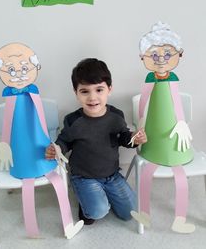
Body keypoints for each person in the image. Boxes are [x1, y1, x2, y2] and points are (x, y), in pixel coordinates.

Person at [0, 43, 83, 239]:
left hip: (43, 154)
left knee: (57, 180)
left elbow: (41, 124)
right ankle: (33, 230)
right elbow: (8, 124)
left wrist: (54, 147)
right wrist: (5, 145)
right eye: (11, 69)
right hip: (20, 160)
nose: (18, 73)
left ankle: (67, 226)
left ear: (35, 68)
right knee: (32, 182)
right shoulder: (11, 99)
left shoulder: (34, 94)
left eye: (24, 68)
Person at [46, 58, 147, 225]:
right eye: (85, 91)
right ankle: (86, 202)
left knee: (131, 213)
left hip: (112, 175)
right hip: (84, 177)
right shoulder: (73, 120)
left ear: (109, 89)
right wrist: (56, 149)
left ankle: (102, 193)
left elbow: (124, 138)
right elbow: (64, 141)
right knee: (97, 212)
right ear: (76, 93)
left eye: (99, 90)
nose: (92, 97)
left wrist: (135, 139)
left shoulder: (116, 115)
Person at [130, 22, 195, 233]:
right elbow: (143, 101)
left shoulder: (173, 79)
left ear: (179, 55)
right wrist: (140, 121)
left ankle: (180, 219)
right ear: (144, 58)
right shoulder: (149, 78)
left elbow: (175, 102)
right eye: (153, 55)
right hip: (153, 141)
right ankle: (145, 216)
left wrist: (182, 122)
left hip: (175, 141)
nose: (160, 60)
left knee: (179, 174)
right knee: (148, 170)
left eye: (167, 54)